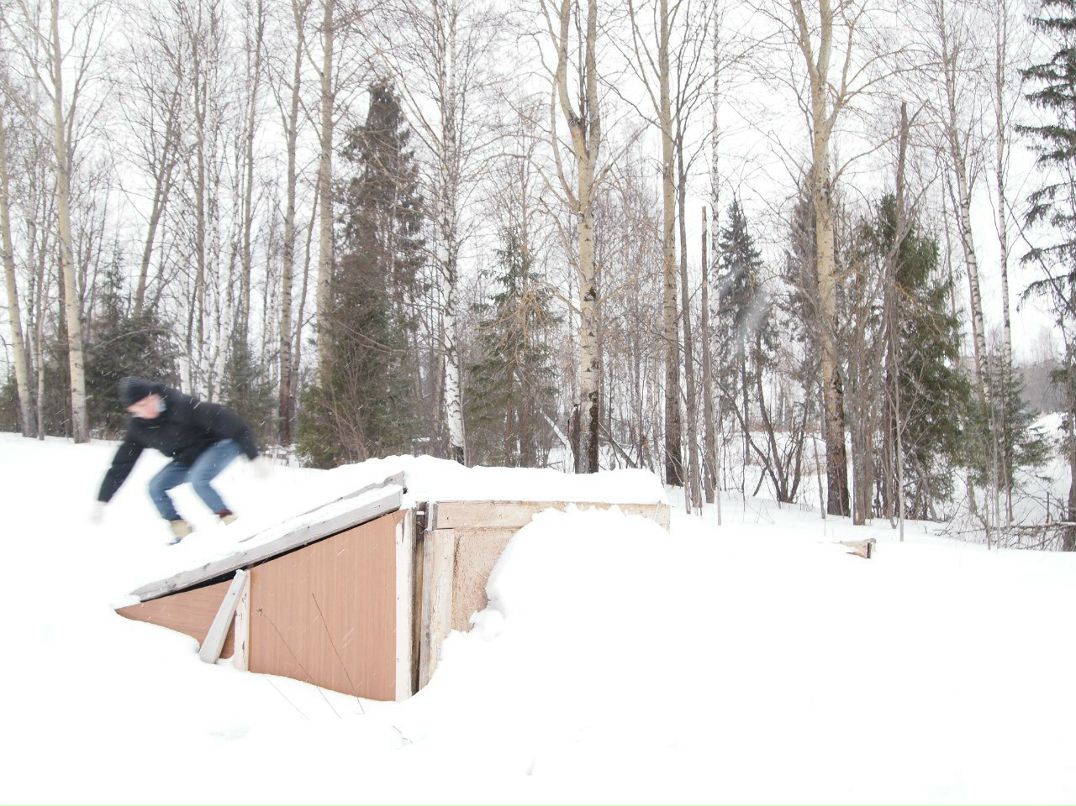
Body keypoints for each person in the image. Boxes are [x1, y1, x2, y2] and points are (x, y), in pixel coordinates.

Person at [95, 377, 265, 542]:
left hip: (220, 445)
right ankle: (183, 532)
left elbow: (229, 420)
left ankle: (230, 521)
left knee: (198, 480)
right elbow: (121, 464)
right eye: (140, 407)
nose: (148, 408)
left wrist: (253, 455)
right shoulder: (138, 430)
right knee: (155, 487)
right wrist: (102, 499)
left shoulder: (181, 405)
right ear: (132, 410)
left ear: (155, 395)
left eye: (149, 401)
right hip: (187, 459)